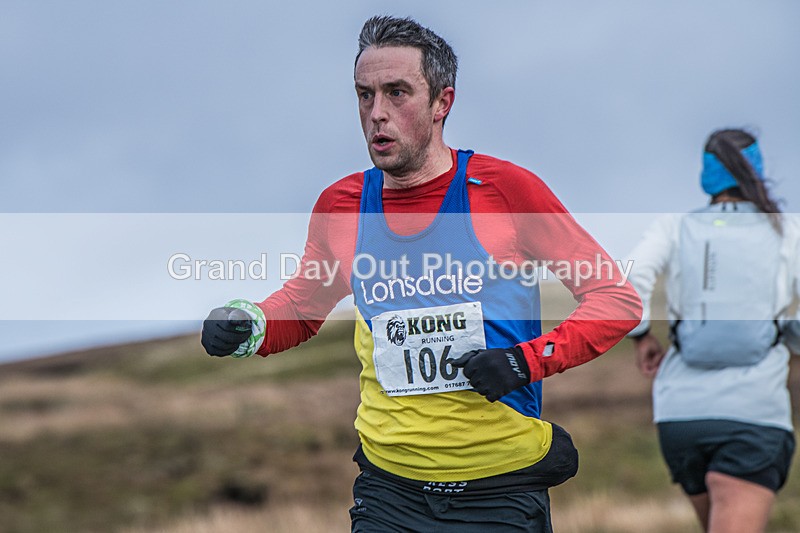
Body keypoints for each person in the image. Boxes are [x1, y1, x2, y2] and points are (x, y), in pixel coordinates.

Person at [202, 15, 641, 532]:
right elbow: (302, 308)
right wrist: (247, 323)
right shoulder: (342, 206)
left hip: (499, 489)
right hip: (388, 491)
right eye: (364, 96)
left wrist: (526, 361)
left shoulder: (504, 191)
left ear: (441, 103)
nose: (376, 115)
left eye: (397, 93)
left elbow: (616, 299)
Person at [627, 129, 798, 533]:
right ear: (756, 171)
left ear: (706, 175)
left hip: (680, 416)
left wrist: (642, 336)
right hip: (753, 415)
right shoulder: (785, 232)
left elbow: (625, 279)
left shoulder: (675, 227)